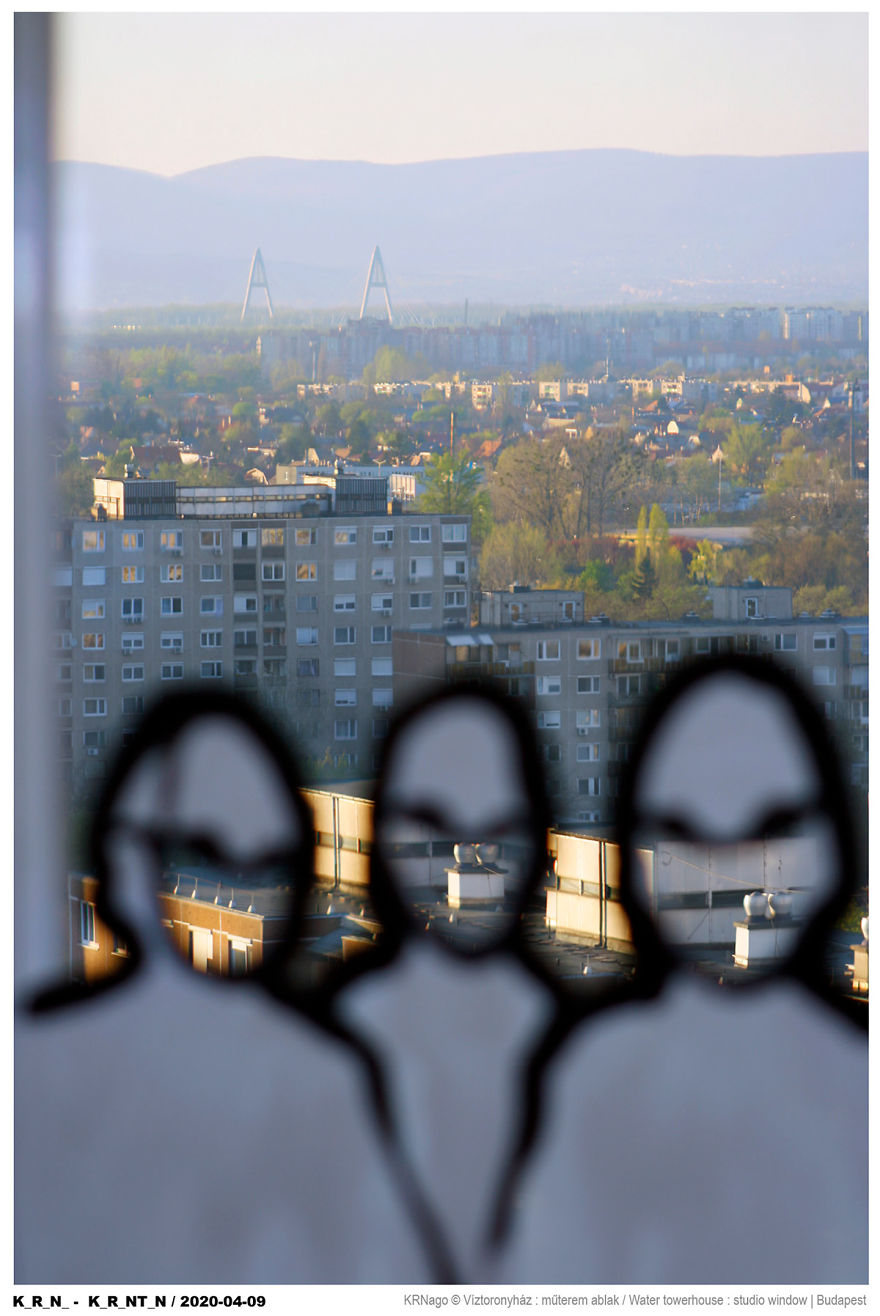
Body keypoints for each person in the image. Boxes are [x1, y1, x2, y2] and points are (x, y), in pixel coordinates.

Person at [16, 690, 428, 1283]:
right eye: (206, 854)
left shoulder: (323, 1078)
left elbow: (383, 1270)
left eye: (271, 861)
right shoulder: (40, 1070)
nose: (244, 886)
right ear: (128, 854)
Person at [495, 655, 868, 1283]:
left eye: (771, 823)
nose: (728, 847)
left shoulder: (850, 1085)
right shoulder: (596, 1081)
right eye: (683, 827)